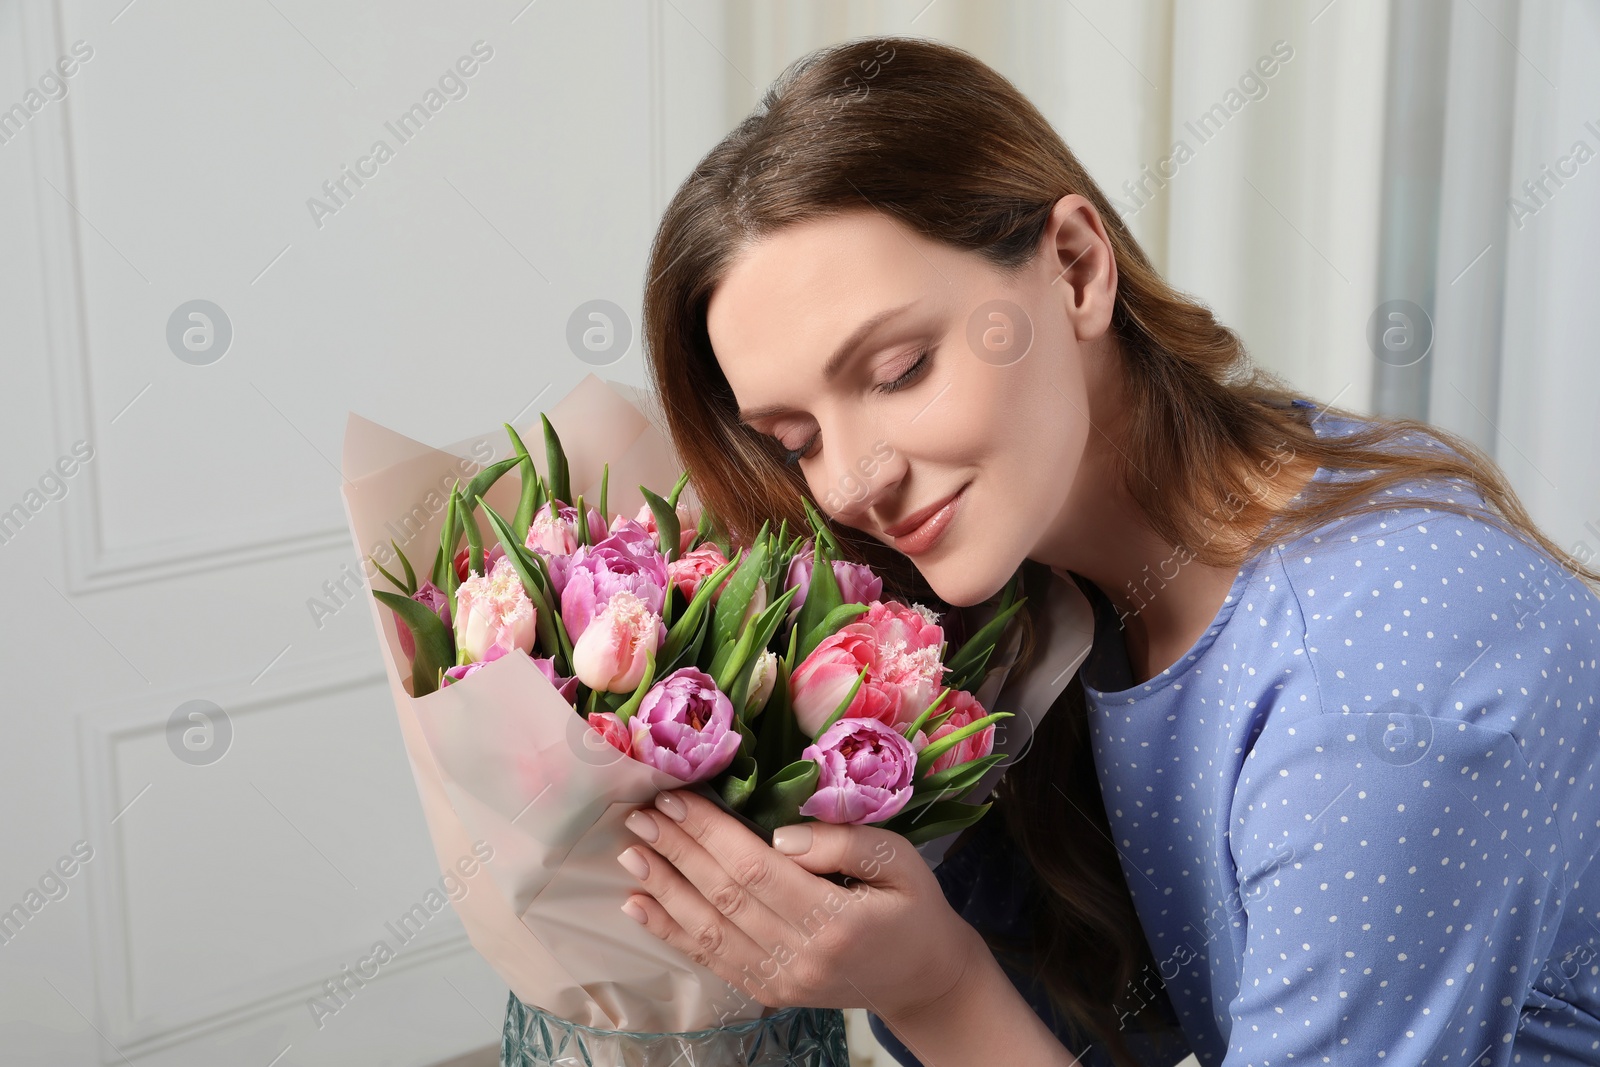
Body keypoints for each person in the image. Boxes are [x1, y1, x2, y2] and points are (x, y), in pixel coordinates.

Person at [612, 34, 1600, 1067]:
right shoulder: (1046, 605)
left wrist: (938, 987)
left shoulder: (1370, 675)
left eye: (899, 369)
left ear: (1078, 270)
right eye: (796, 439)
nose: (852, 481)